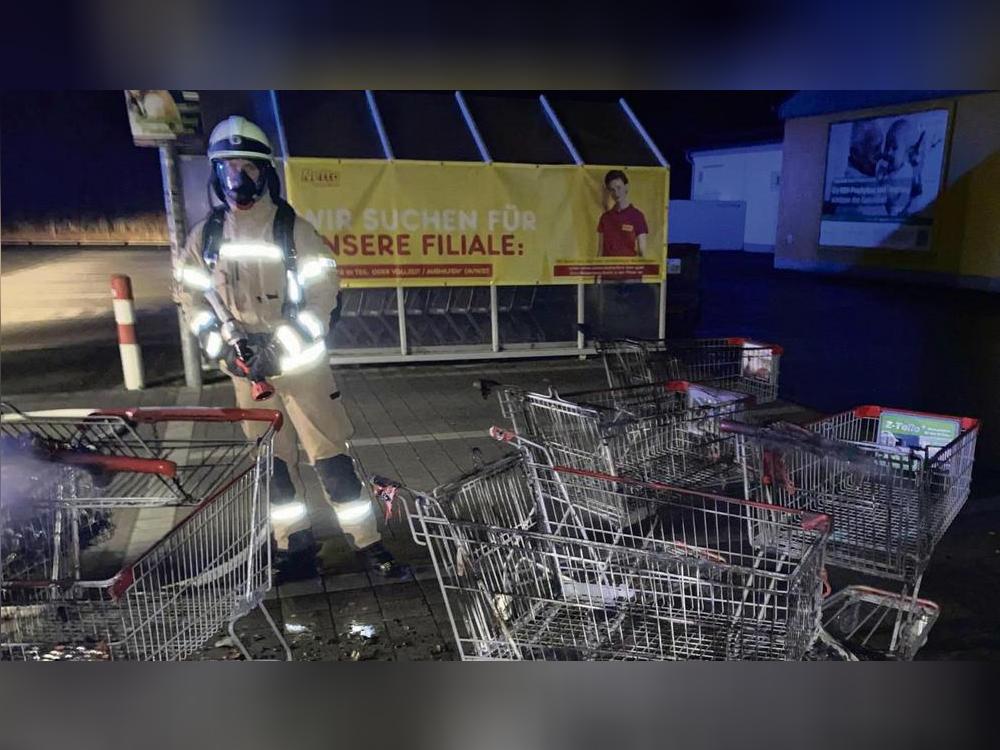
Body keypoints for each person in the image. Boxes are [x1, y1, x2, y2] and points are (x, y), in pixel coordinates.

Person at [176, 115, 408, 582]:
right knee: (274, 467)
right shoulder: (206, 237)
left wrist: (280, 346)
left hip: (301, 370)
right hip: (247, 375)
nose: (238, 178)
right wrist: (220, 347)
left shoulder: (293, 231)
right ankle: (295, 548)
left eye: (248, 168)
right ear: (217, 174)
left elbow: (325, 296)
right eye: (228, 168)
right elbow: (190, 296)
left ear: (266, 173)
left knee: (332, 461)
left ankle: (368, 546)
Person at [596, 169, 648, 258]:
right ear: (609, 192)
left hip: (628, 270)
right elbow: (600, 252)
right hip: (607, 270)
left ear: (626, 187)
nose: (616, 193)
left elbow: (642, 253)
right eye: (612, 189)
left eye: (619, 187)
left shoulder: (637, 216)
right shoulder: (605, 218)